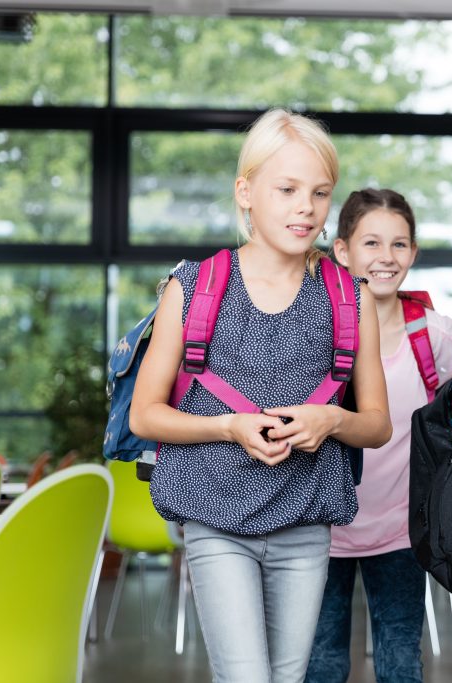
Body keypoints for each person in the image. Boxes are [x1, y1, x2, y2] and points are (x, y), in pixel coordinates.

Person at [130, 109, 392, 683]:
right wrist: (228, 427)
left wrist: (330, 420)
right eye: (288, 189)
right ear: (246, 193)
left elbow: (376, 424)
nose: (306, 207)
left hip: (305, 526)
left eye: (320, 193)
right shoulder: (194, 287)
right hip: (215, 519)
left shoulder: (350, 297)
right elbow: (144, 414)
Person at [306, 188, 452, 683]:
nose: (386, 258)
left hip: (401, 531)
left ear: (413, 254)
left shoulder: (433, 334)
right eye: (371, 243)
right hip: (320, 527)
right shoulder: (313, 327)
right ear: (343, 251)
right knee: (321, 662)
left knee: (401, 661)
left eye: (399, 245)